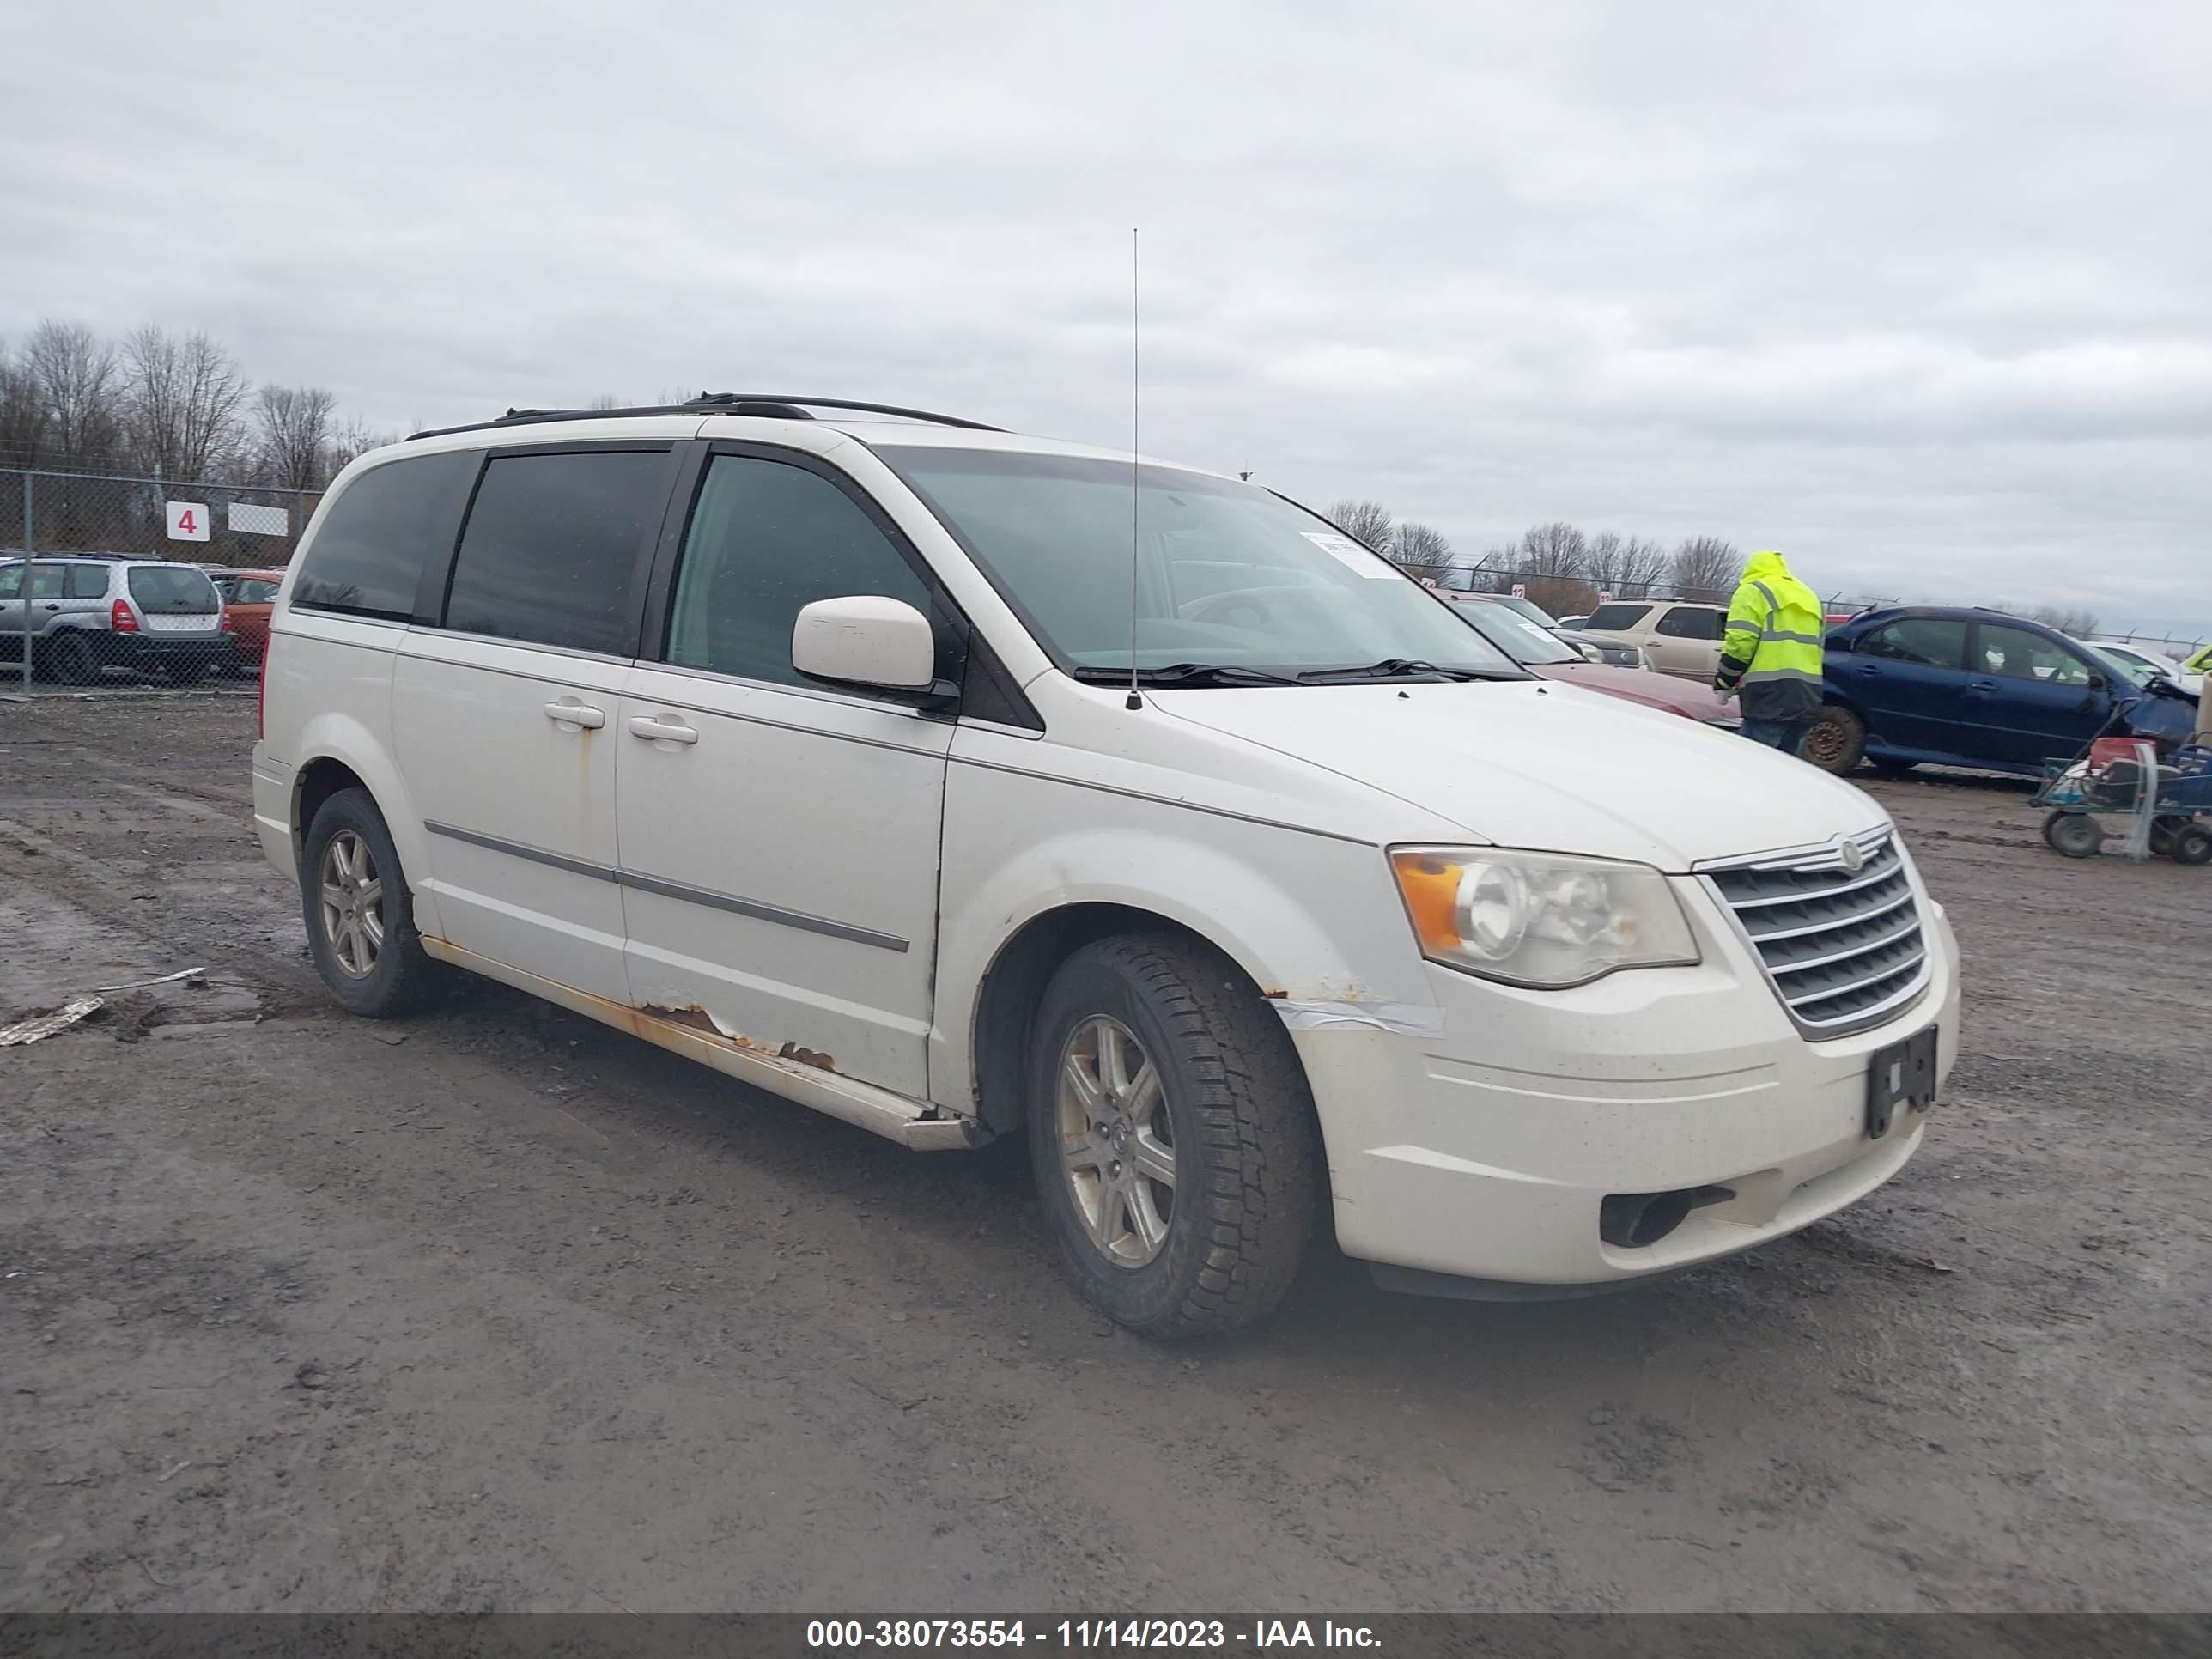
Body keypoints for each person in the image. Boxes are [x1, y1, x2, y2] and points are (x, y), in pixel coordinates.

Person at [1714, 550, 1826, 756]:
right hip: (1808, 696)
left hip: (1769, 697)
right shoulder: (1810, 596)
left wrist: (1724, 682)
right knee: (1787, 773)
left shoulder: (1753, 591)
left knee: (1751, 768)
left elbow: (1740, 644)